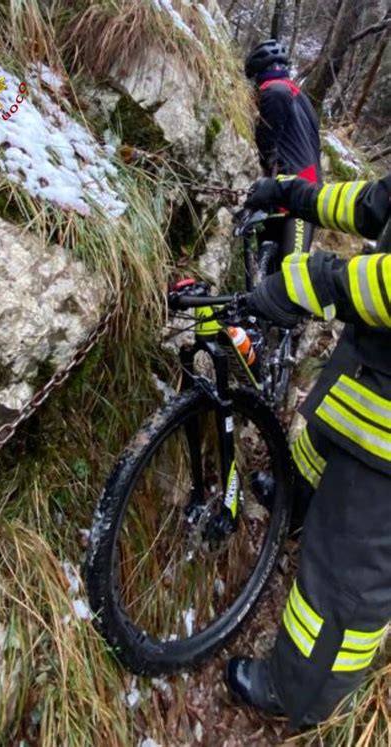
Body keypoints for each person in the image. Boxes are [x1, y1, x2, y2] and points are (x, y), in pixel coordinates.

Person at [225, 172, 391, 727]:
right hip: (376, 368)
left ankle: (298, 694)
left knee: (347, 581)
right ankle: (296, 509)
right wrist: (293, 193)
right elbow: (373, 204)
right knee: (320, 436)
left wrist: (316, 282)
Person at [245, 39, 322, 258]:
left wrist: (268, 156)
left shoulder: (275, 90)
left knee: (291, 269)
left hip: (297, 192)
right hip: (304, 187)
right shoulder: (299, 96)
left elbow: (268, 136)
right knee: (277, 266)